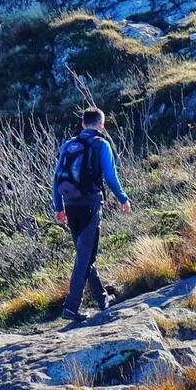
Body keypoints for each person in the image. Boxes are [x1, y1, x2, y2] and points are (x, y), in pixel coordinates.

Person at [52, 107, 131, 323]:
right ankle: (71, 306)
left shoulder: (68, 145)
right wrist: (123, 198)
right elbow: (110, 176)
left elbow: (57, 177)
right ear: (101, 125)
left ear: (82, 124)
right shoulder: (101, 144)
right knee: (84, 256)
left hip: (69, 204)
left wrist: (58, 207)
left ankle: (102, 299)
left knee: (86, 254)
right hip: (90, 204)